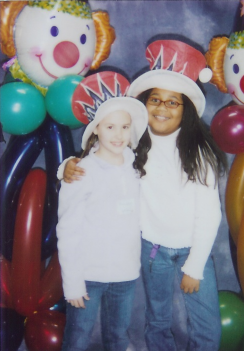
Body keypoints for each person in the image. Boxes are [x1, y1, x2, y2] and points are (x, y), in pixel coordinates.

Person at [60, 38, 228, 351]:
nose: (162, 108)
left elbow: (209, 213)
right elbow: (98, 157)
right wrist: (67, 166)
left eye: (172, 102)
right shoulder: (134, 140)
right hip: (153, 251)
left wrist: (194, 266)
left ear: (186, 109)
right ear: (144, 104)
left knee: (206, 328)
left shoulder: (198, 150)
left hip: (194, 250)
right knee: (158, 320)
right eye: (155, 100)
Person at [56, 95, 148, 351]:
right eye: (110, 126)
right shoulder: (82, 172)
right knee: (78, 338)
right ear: (96, 128)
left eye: (125, 127)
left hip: (125, 273)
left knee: (118, 337)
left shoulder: (136, 168)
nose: (118, 134)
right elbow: (68, 230)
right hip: (88, 275)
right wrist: (72, 282)